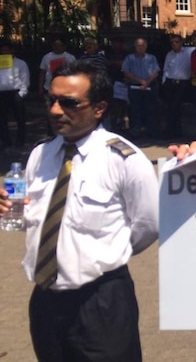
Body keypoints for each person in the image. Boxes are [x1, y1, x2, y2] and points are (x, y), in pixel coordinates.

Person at [0, 61, 158, 361]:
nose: (56, 110)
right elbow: (33, 220)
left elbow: (148, 225)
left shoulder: (123, 159)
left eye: (69, 103)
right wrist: (9, 208)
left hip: (101, 303)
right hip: (46, 301)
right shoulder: (40, 155)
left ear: (99, 108)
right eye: (52, 100)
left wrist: (107, 253)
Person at [121, 38, 160, 137]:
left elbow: (156, 72)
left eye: (142, 45)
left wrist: (147, 82)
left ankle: (152, 131)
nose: (140, 48)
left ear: (146, 46)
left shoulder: (151, 58)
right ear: (135, 47)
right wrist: (140, 81)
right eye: (138, 45)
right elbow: (126, 72)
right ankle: (135, 131)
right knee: (135, 110)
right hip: (134, 87)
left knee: (150, 109)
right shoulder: (129, 58)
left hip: (149, 86)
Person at [161, 34, 193, 138]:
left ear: (181, 42)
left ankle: (172, 131)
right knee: (169, 107)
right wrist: (164, 82)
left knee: (175, 107)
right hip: (170, 83)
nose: (174, 44)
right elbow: (166, 69)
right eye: (172, 42)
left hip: (182, 83)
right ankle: (174, 131)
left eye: (176, 42)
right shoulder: (169, 54)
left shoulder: (188, 52)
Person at [0, 41, 30, 148]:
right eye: (2, 50)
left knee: (20, 118)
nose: (4, 52)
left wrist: (21, 94)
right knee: (2, 119)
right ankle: (5, 140)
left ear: (12, 51)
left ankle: (20, 140)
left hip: (16, 93)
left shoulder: (20, 63)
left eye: (6, 50)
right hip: (2, 94)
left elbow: (25, 79)